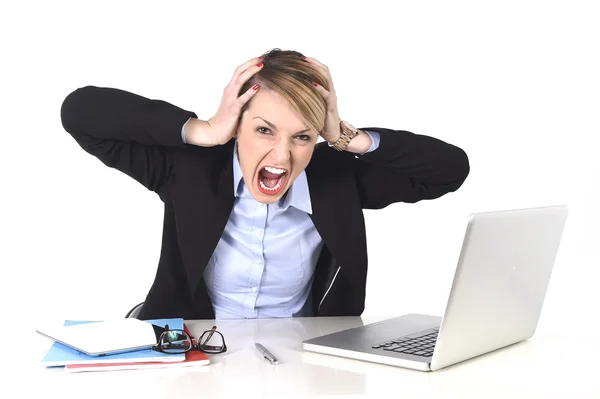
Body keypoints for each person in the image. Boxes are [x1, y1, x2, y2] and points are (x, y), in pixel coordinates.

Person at [60, 48, 470, 321]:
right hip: (193, 354)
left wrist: (345, 135)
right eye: (264, 130)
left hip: (305, 363)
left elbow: (450, 170)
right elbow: (80, 112)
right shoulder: (187, 169)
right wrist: (203, 130)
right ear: (237, 126)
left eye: (302, 137)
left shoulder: (337, 179)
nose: (280, 157)